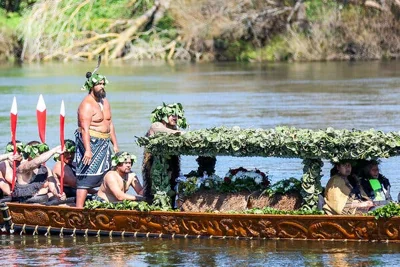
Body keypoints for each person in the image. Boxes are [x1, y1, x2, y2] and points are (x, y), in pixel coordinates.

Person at [75, 71, 119, 208]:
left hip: (105, 143)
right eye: (98, 84)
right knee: (86, 176)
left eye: (102, 84)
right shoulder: (86, 105)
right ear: (91, 86)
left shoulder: (105, 102)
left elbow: (110, 123)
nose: (101, 86)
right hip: (90, 142)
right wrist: (87, 150)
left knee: (108, 172)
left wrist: (115, 144)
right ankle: (78, 210)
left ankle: (105, 203)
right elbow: (85, 129)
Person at [142, 103, 188, 201]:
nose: (175, 117)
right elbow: (165, 132)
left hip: (170, 163)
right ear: (164, 117)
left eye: (176, 115)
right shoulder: (156, 125)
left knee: (172, 186)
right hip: (154, 164)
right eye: (172, 115)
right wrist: (182, 133)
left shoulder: (175, 129)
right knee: (154, 191)